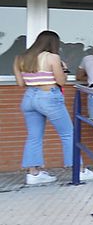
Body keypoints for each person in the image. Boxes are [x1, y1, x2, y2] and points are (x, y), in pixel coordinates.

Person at [14, 30, 73, 185]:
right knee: (68, 134)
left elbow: (20, 83)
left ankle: (33, 174)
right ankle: (78, 170)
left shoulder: (20, 58)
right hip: (48, 96)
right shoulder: (53, 57)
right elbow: (61, 81)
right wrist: (64, 69)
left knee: (34, 136)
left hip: (29, 97)